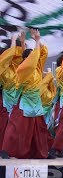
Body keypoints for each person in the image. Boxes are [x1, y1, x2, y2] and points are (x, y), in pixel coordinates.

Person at [1, 29, 49, 159]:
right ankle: (6, 150)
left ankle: (40, 152)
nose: (35, 57)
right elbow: (30, 59)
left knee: (39, 129)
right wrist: (36, 41)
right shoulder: (22, 69)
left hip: (36, 103)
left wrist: (35, 40)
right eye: (32, 56)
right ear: (27, 59)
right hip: (24, 102)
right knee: (15, 126)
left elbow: (42, 54)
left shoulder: (37, 67)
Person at [0, 33, 24, 150]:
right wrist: (13, 40)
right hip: (5, 99)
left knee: (13, 124)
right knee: (6, 123)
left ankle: (8, 147)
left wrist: (22, 42)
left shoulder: (14, 67)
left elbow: (22, 58)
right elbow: (10, 54)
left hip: (15, 99)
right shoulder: (2, 66)